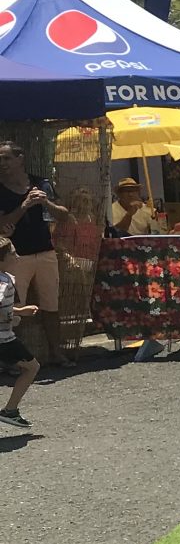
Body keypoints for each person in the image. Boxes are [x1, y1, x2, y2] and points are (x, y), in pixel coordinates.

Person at [0, 141, 74, 366]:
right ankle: (16, 361)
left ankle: (56, 353)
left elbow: (64, 214)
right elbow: (2, 224)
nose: (2, 163)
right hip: (15, 257)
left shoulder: (41, 183)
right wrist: (24, 206)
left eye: (6, 158)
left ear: (20, 158)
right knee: (12, 310)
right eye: (0, 159)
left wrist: (45, 202)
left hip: (45, 251)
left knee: (51, 306)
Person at [0, 237, 41, 428]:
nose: (17, 257)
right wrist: (9, 318)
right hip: (4, 340)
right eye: (13, 253)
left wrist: (19, 311)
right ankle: (10, 410)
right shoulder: (3, 281)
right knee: (31, 368)